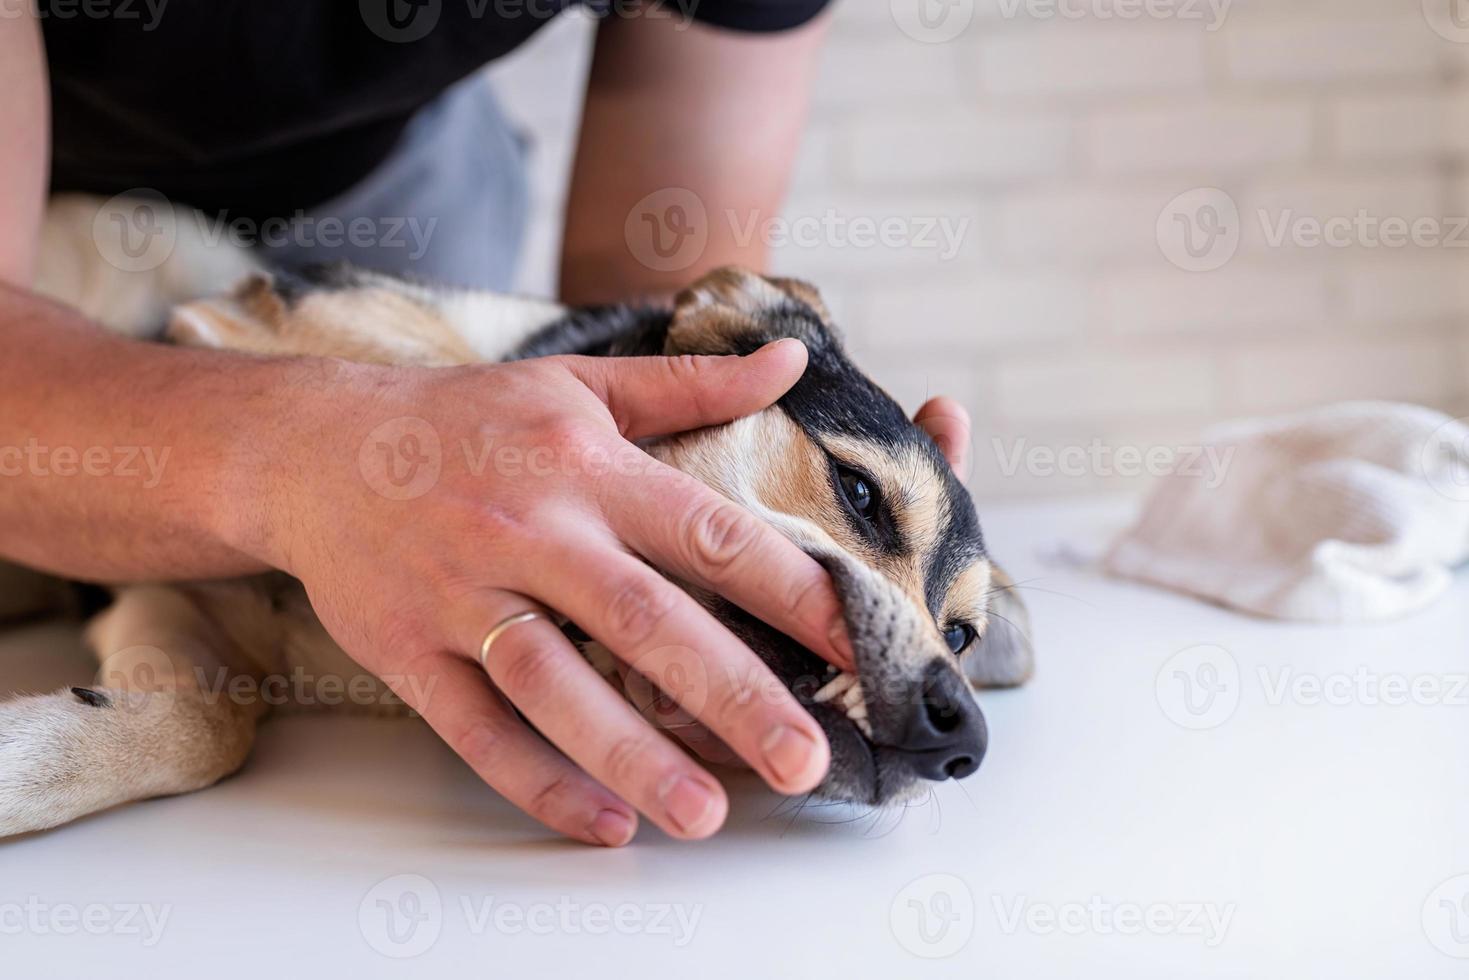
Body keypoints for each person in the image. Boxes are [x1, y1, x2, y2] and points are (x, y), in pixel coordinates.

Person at [0, 0, 972, 846]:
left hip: (393, 185)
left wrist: (622, 609)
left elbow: (647, 320)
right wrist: (316, 459)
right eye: (858, 496)